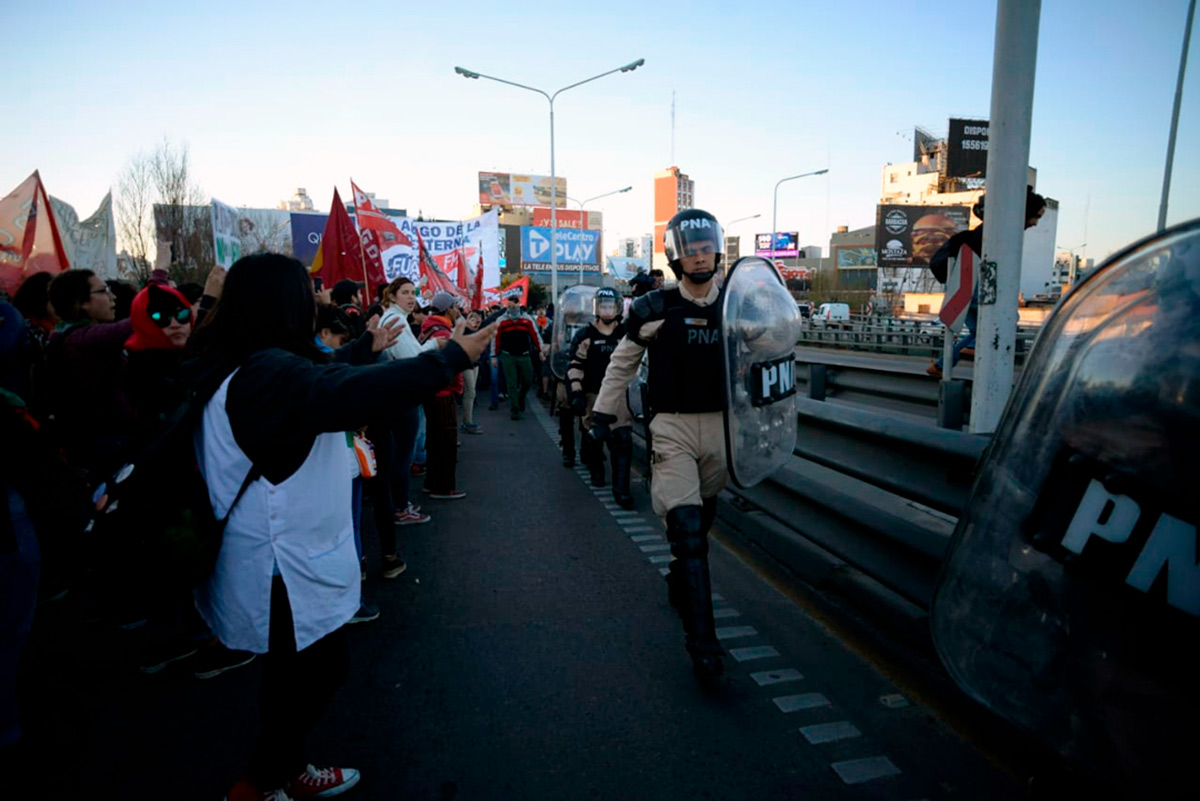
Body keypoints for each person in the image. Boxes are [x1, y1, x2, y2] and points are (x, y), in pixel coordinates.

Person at [184, 254, 493, 800]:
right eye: (307, 291)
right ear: (283, 303)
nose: (318, 300)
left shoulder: (240, 358)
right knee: (316, 672)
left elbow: (322, 378)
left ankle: (286, 766)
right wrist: (446, 359)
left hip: (281, 558)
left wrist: (360, 350)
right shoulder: (265, 372)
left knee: (290, 678)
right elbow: (339, 392)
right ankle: (259, 783)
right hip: (281, 564)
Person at [590, 209, 730, 682]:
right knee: (687, 527)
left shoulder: (736, 304)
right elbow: (622, 365)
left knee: (702, 518)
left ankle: (679, 575)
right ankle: (704, 647)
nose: (698, 257)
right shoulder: (653, 308)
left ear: (717, 248)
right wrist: (603, 413)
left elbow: (769, 352)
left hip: (722, 428)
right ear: (675, 256)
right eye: (689, 250)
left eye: (704, 247)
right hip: (670, 426)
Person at [926, 187, 1047, 378]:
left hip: (960, 285)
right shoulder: (1000, 231)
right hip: (972, 284)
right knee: (1006, 318)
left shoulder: (992, 227)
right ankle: (971, 350)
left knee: (978, 331)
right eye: (1037, 216)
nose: (1036, 223)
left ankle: (942, 366)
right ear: (1026, 212)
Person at [567, 288, 634, 508]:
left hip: (620, 396)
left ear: (617, 308)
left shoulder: (626, 333)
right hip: (593, 394)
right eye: (603, 306)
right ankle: (596, 468)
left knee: (622, 440)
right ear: (597, 308)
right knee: (595, 436)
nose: (606, 310)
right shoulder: (585, 335)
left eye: (610, 306)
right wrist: (576, 393)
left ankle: (621, 489)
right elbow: (575, 365)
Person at [419, 290, 466, 499]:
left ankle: (432, 483)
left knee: (436, 440)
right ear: (448, 309)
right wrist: (457, 387)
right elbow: (450, 367)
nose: (458, 310)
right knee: (446, 442)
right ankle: (444, 487)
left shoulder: (430, 328)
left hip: (432, 392)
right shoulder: (442, 333)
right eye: (455, 306)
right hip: (443, 393)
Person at [493, 295, 541, 420]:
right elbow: (495, 339)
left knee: (527, 381)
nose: (511, 308)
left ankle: (520, 398)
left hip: (524, 355)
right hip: (508, 356)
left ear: (518, 304)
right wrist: (494, 355)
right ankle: (515, 409)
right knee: (511, 383)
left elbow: (535, 335)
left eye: (513, 305)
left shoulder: (527, 319)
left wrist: (541, 350)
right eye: (509, 305)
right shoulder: (501, 320)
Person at [460, 309, 484, 434]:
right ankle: (467, 422)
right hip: (466, 364)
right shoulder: (463, 331)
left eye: (478, 320)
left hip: (475, 364)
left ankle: (468, 420)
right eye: (472, 318)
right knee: (470, 392)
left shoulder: (477, 332)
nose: (476, 322)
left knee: (471, 393)